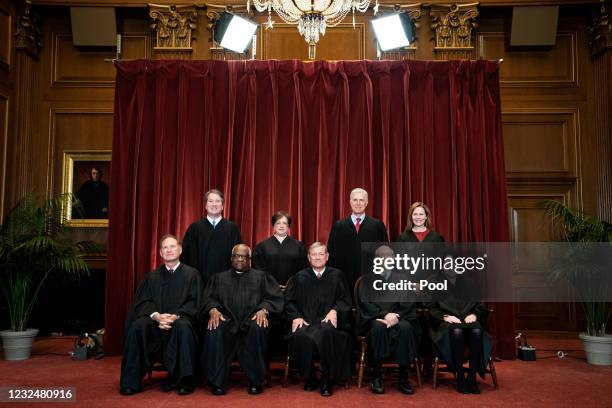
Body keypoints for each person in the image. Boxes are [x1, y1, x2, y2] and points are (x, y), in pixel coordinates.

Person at [120, 235, 202, 396]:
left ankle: (186, 380)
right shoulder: (152, 276)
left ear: (180, 250)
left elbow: (195, 303)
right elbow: (143, 301)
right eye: (165, 247)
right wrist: (157, 316)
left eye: (172, 246)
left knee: (184, 326)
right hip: (155, 324)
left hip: (179, 322)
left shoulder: (192, 275)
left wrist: (174, 317)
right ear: (160, 253)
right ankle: (130, 382)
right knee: (137, 326)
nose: (169, 250)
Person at [201, 244, 284, 395]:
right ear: (231, 258)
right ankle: (217, 381)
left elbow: (275, 298)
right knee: (215, 327)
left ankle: (256, 381)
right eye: (236, 256)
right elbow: (208, 298)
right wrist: (212, 310)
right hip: (226, 321)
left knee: (259, 327)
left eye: (244, 256)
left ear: (249, 259)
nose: (240, 259)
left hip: (252, 320)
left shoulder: (261, 277)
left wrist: (263, 309)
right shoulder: (219, 278)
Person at [284, 242, 352, 397]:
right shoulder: (299, 277)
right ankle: (310, 376)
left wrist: (335, 311)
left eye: (321, 254)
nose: (317, 257)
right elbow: (289, 301)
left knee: (327, 332)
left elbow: (345, 301)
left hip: (328, 323)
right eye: (314, 254)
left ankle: (326, 378)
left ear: (327, 257)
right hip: (306, 321)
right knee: (300, 335)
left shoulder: (337, 275)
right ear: (309, 257)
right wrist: (296, 317)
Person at [356, 245, 420, 395]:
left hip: (399, 317)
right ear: (376, 260)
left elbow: (408, 303)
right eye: (381, 257)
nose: (385, 260)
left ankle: (403, 376)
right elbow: (365, 303)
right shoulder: (366, 280)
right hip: (375, 318)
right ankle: (376, 376)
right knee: (378, 328)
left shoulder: (403, 279)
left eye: (389, 257)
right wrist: (384, 315)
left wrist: (396, 316)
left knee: (406, 328)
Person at [425, 258, 492, 394]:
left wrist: (475, 315)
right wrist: (445, 317)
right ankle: (460, 375)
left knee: (477, 332)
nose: (451, 267)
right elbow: (430, 308)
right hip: (446, 325)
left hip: (468, 321)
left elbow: (479, 304)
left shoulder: (469, 283)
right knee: (457, 332)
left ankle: (472, 375)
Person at [327, 188, 388, 291]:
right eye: (355, 200)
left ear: (367, 202)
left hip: (370, 279)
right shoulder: (339, 226)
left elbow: (385, 253)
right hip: (344, 279)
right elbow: (331, 255)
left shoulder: (377, 226)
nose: (358, 203)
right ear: (350, 202)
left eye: (361, 200)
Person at [181, 189, 241, 284]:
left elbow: (238, 258)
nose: (214, 204)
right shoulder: (194, 228)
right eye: (210, 201)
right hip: (199, 283)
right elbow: (186, 257)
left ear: (222, 206)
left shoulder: (232, 229)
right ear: (205, 205)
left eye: (218, 201)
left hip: (227, 283)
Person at [253, 211, 307, 288]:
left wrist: (291, 284)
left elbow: (302, 269)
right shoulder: (262, 246)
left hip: (293, 290)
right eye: (278, 223)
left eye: (284, 223)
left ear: (288, 226)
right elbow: (259, 270)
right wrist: (273, 285)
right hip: (269, 290)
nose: (281, 226)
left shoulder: (299, 246)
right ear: (273, 226)